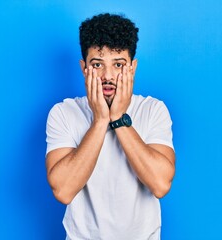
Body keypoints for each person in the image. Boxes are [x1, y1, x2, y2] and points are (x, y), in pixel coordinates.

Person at [45, 13, 175, 240]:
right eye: (97, 64)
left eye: (118, 64)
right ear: (84, 67)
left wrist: (119, 117)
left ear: (132, 68)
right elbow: (63, 191)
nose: (108, 76)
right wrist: (100, 120)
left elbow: (161, 184)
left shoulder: (153, 110)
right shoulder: (63, 113)